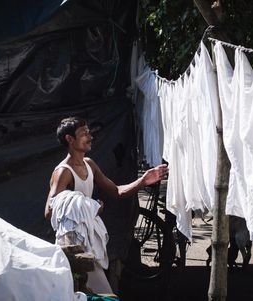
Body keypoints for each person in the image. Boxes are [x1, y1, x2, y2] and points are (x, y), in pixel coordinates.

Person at [45, 116, 168, 294]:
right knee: (86, 291)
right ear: (70, 139)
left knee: (89, 292)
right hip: (71, 243)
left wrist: (143, 181)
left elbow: (118, 191)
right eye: (83, 133)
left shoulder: (89, 164)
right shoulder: (63, 171)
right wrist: (87, 206)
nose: (90, 136)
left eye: (89, 132)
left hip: (89, 239)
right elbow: (49, 210)